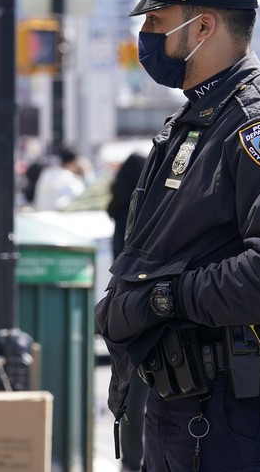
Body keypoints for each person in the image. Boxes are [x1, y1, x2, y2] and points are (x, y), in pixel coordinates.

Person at [94, 0, 260, 471]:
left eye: (158, 19)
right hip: (180, 409)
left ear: (202, 28)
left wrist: (163, 300)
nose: (148, 34)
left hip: (228, 417)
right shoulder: (203, 117)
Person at [106, 152, 149, 472]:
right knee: (143, 389)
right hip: (140, 305)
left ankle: (131, 462)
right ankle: (137, 461)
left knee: (129, 386)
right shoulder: (145, 207)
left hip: (121, 306)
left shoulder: (119, 208)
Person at [33, 144, 88, 211]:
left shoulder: (46, 173)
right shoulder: (72, 181)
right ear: (74, 162)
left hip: (39, 217)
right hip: (59, 219)